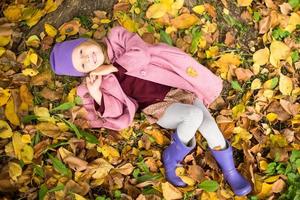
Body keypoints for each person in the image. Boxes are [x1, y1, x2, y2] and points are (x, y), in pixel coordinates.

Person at [50, 26, 252, 196]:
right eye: (83, 64)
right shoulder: (98, 82)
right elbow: (117, 111)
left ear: (85, 41)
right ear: (85, 72)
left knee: (209, 125)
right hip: (158, 107)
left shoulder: (117, 38)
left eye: (81, 52)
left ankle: (230, 171)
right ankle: (172, 157)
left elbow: (141, 53)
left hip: (179, 89)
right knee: (194, 115)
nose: (88, 58)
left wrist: (112, 67)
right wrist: (97, 95)